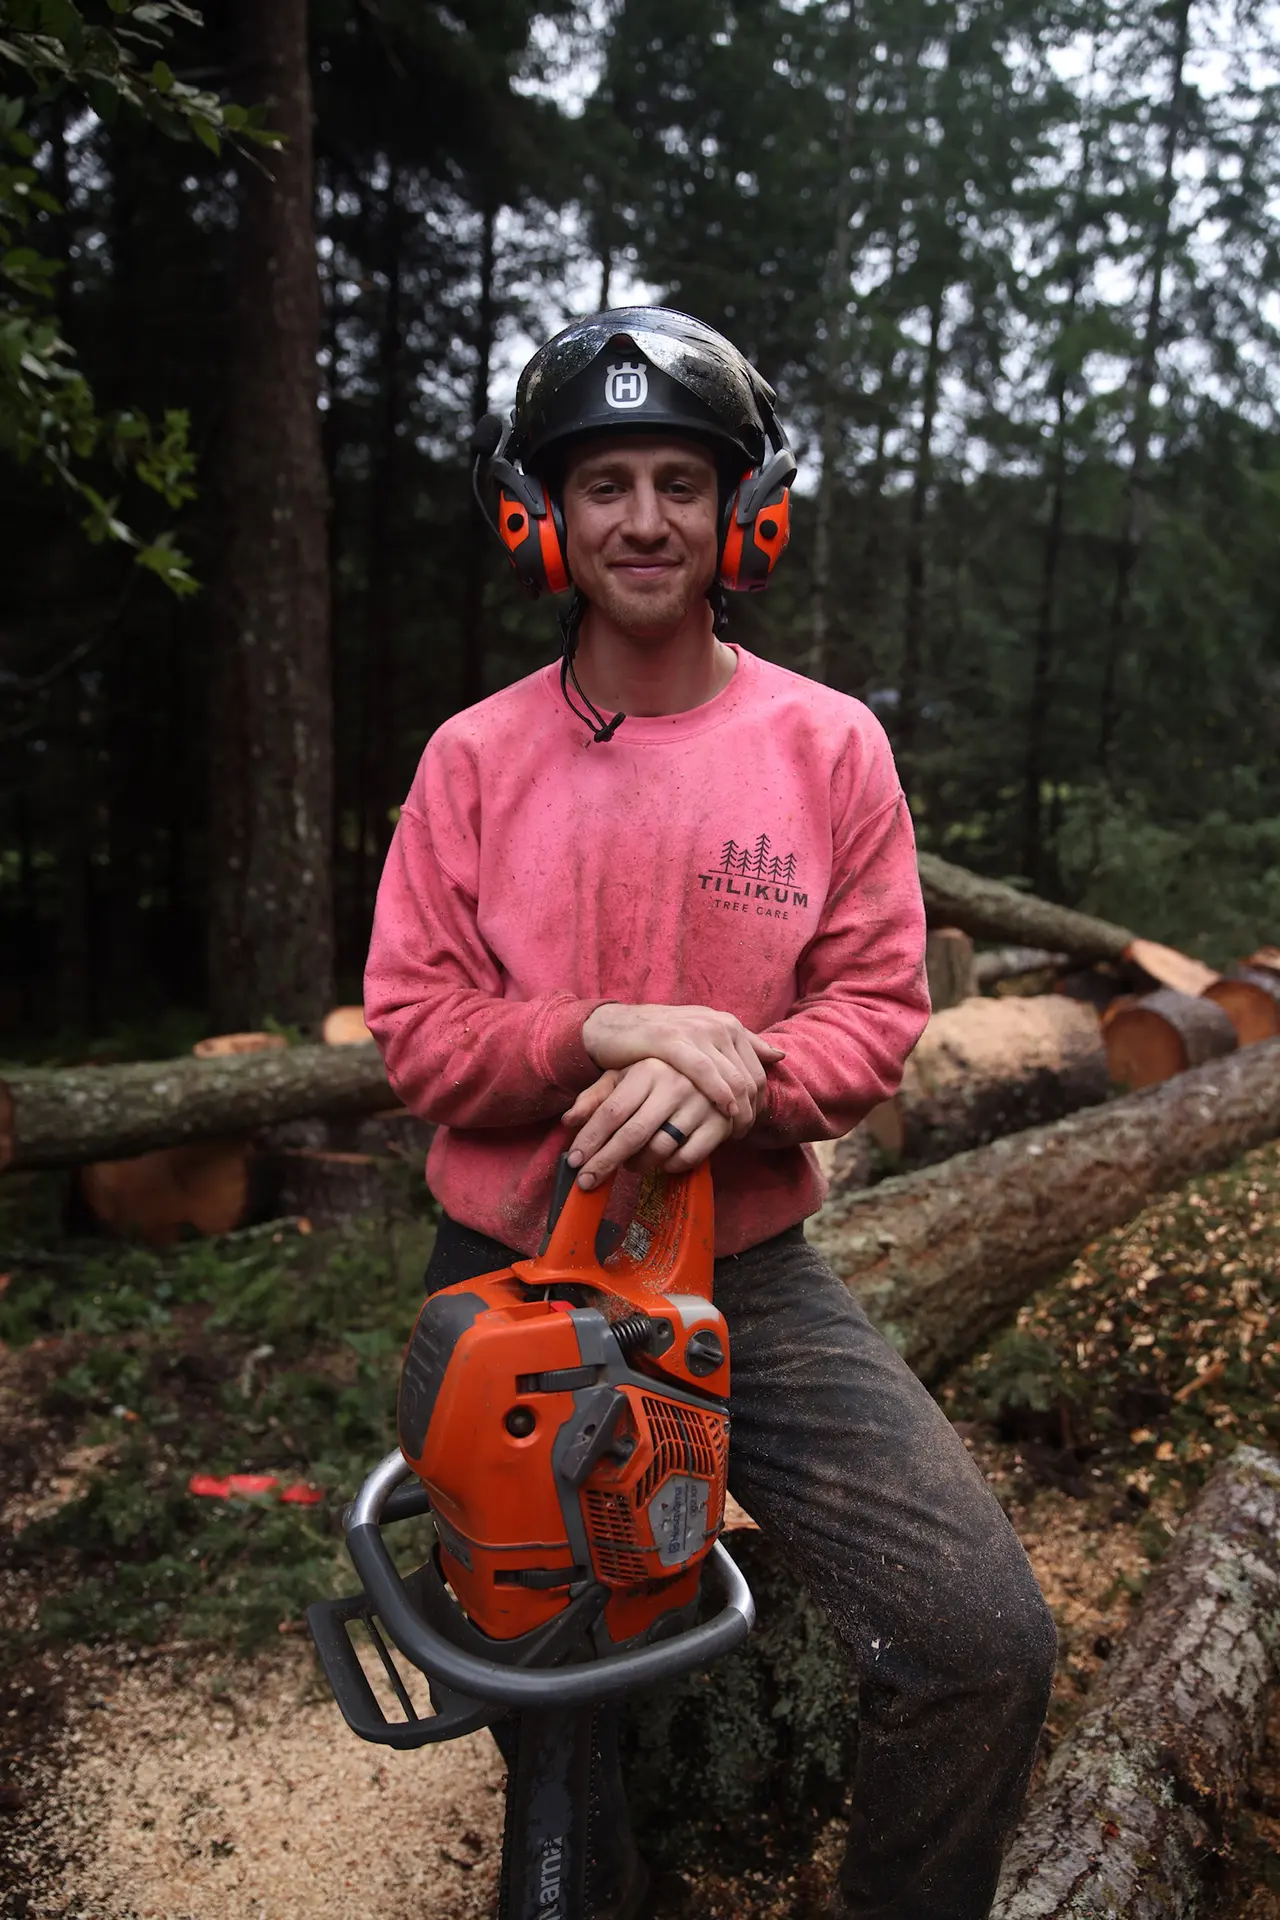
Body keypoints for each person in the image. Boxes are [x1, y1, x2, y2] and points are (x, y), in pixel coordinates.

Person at [364, 307, 1056, 1919]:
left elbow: (878, 1011)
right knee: (554, 1682)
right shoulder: (473, 760)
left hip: (746, 1275)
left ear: (746, 511)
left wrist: (737, 1075)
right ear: (542, 514)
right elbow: (413, 1029)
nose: (646, 519)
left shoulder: (826, 744)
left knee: (980, 1638)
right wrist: (600, 1030)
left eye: (682, 478)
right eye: (604, 482)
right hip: (512, 1275)